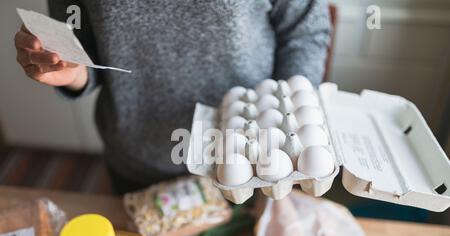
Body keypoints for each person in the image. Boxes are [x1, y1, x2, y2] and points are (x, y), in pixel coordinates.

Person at [14, 0, 331, 194]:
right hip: (140, 156)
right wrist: (70, 73)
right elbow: (84, 51)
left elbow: (305, 33)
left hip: (254, 162)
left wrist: (288, 115)